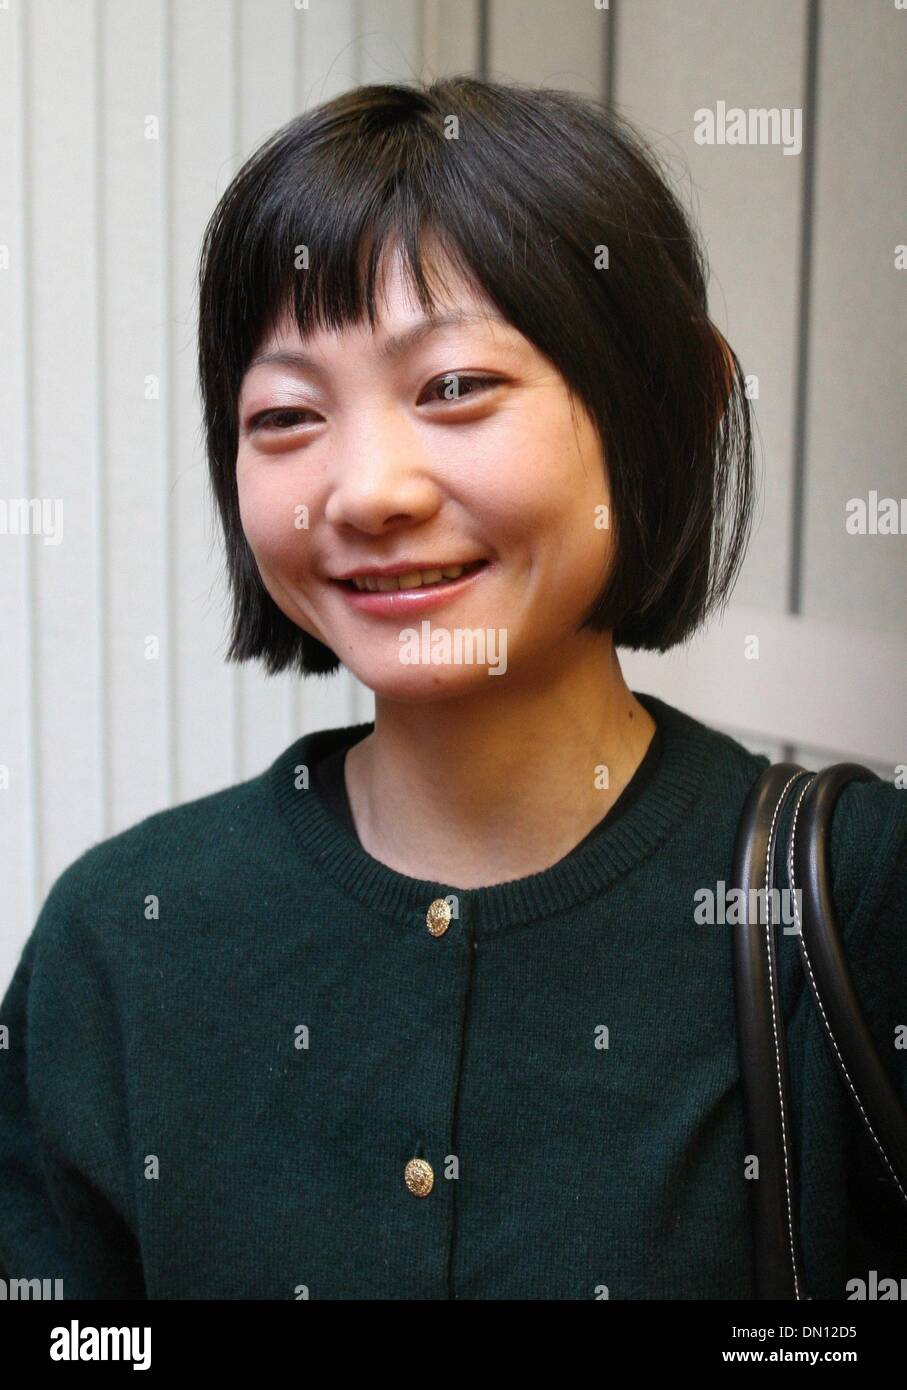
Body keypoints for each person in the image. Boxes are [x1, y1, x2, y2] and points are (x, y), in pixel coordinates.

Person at [1, 76, 904, 1301]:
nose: (367, 490)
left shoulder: (857, 899)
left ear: (662, 415)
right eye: (284, 414)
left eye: (454, 388)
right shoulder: (119, 936)